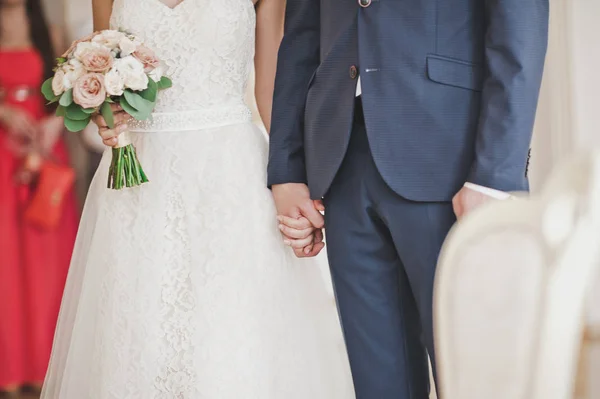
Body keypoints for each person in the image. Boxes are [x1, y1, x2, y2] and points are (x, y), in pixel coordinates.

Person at [41, 0, 355, 398]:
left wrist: (293, 177)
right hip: (139, 178)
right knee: (138, 330)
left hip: (228, 173)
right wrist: (105, 116)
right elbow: (105, 65)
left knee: (229, 326)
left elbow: (272, 88)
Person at [268, 1, 549, 398]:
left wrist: (494, 176)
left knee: (475, 376)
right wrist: (288, 169)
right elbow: (300, 38)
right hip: (339, 161)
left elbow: (519, 29)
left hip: (453, 163)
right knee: (378, 383)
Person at [0, 0, 79, 396]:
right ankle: (9, 368)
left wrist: (54, 124)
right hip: (3, 150)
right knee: (6, 257)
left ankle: (46, 364)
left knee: (45, 254)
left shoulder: (46, 29)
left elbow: (68, 89)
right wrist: (3, 111)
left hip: (43, 150)